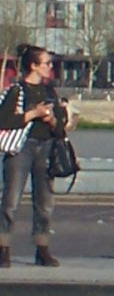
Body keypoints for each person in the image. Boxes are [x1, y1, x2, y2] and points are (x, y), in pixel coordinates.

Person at [1, 43, 72, 268]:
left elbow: (60, 128)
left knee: (44, 203)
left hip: (47, 147)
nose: (50, 68)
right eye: (46, 63)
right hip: (21, 148)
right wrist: (33, 114)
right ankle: (3, 248)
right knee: (10, 200)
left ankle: (42, 248)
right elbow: (4, 121)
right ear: (33, 66)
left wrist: (52, 120)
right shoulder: (17, 91)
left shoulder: (50, 92)